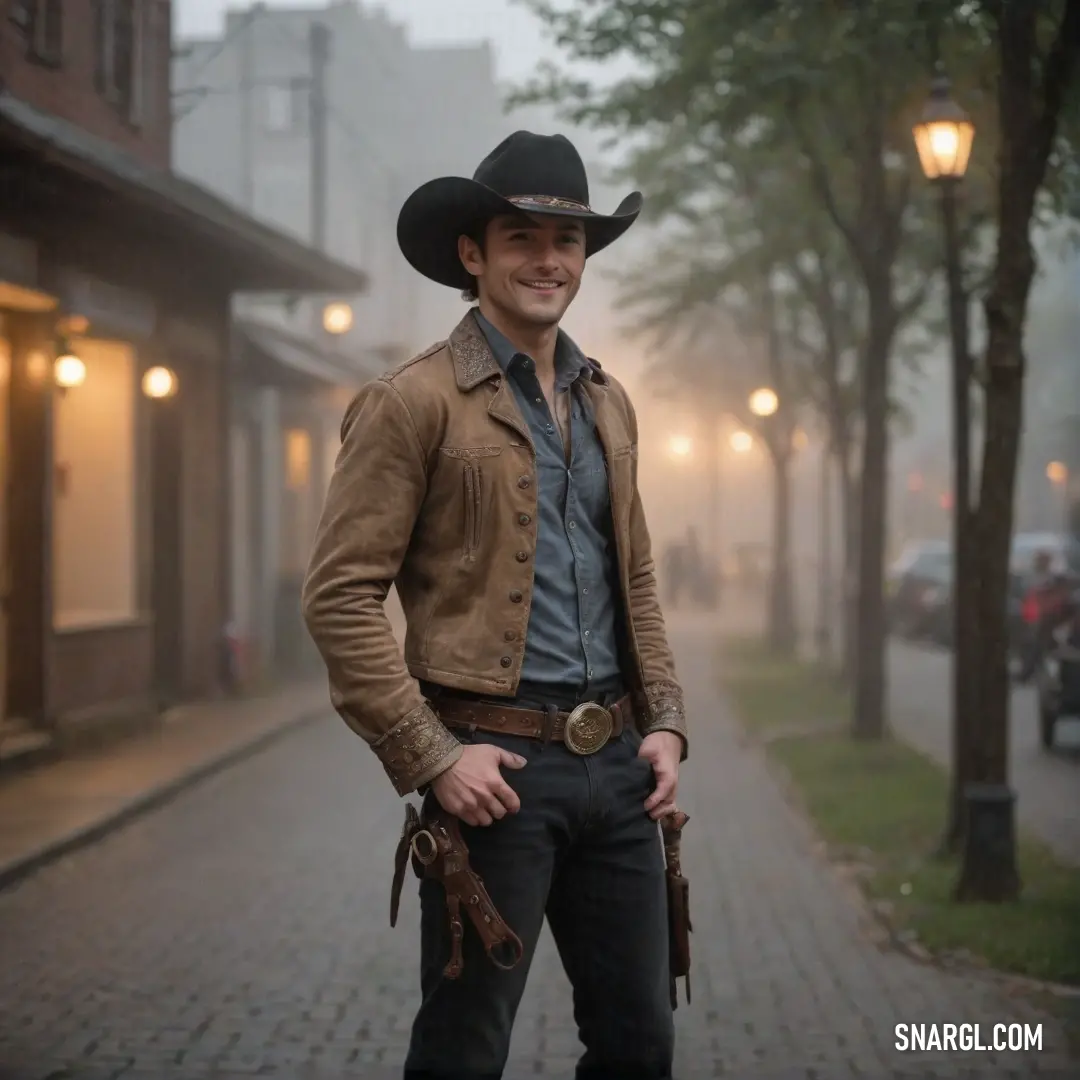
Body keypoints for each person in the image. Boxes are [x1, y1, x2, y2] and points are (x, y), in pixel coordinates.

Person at [302, 130, 688, 1080]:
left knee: (640, 1048)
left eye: (568, 240)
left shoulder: (610, 402)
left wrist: (669, 724)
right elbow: (340, 599)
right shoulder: (410, 403)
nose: (548, 259)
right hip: (496, 777)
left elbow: (634, 575)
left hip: (620, 777)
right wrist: (431, 758)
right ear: (472, 254)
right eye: (521, 235)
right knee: (464, 1053)